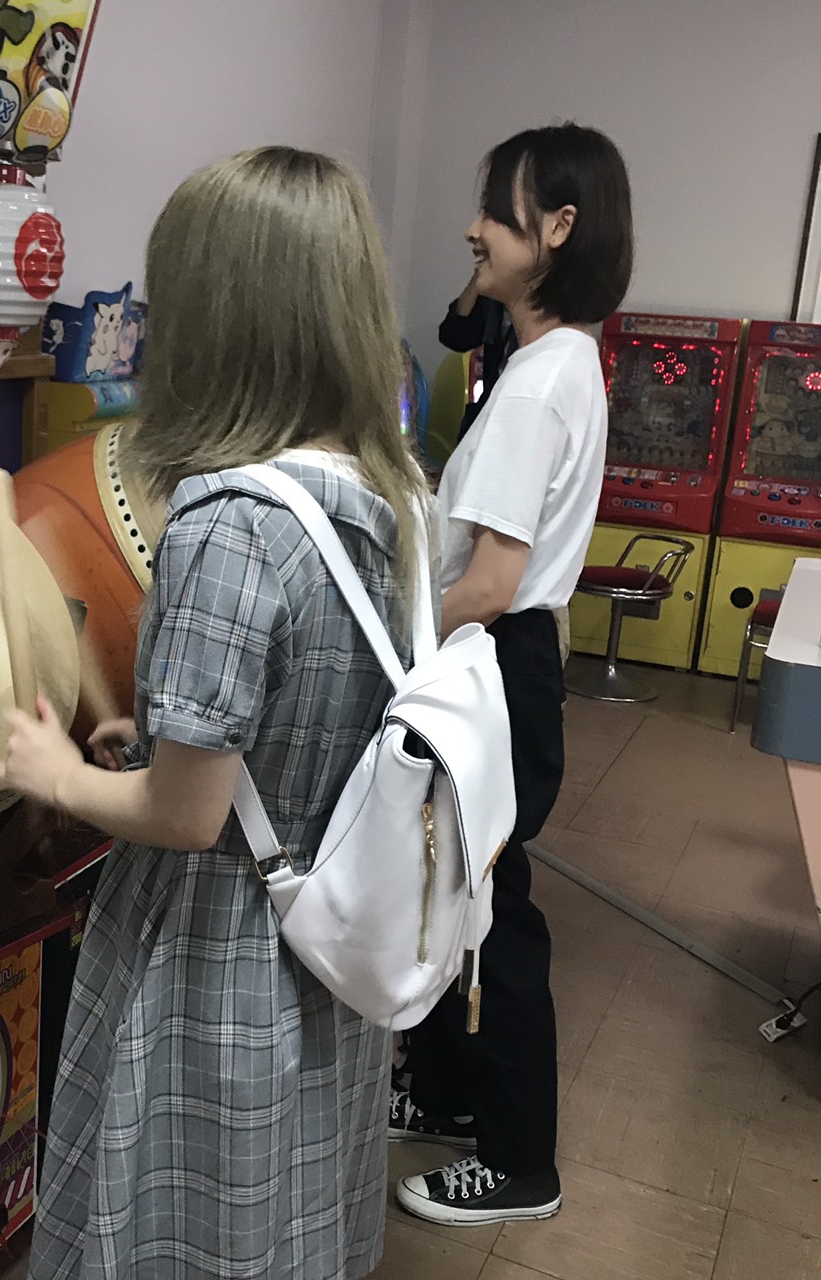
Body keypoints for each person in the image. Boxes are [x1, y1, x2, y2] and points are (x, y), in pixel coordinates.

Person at [0, 145, 431, 1280]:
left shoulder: (227, 520)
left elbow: (185, 816)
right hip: (335, 933)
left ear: (215, 317)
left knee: (177, 1222)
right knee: (288, 1214)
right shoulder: (392, 494)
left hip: (220, 951)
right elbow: (310, 724)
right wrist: (158, 743)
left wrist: (54, 771)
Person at [391, 122, 634, 1226]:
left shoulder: (539, 383)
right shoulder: (556, 361)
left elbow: (489, 582)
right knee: (458, 888)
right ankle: (447, 1093)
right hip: (506, 659)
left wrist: (388, 635)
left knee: (494, 910)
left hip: (496, 657)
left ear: (557, 228)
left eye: (496, 209)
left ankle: (518, 1159)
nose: (472, 228)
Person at [438, 275, 516, 442]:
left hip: (516, 419)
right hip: (487, 413)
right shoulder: (494, 301)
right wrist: (480, 276)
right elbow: (453, 336)